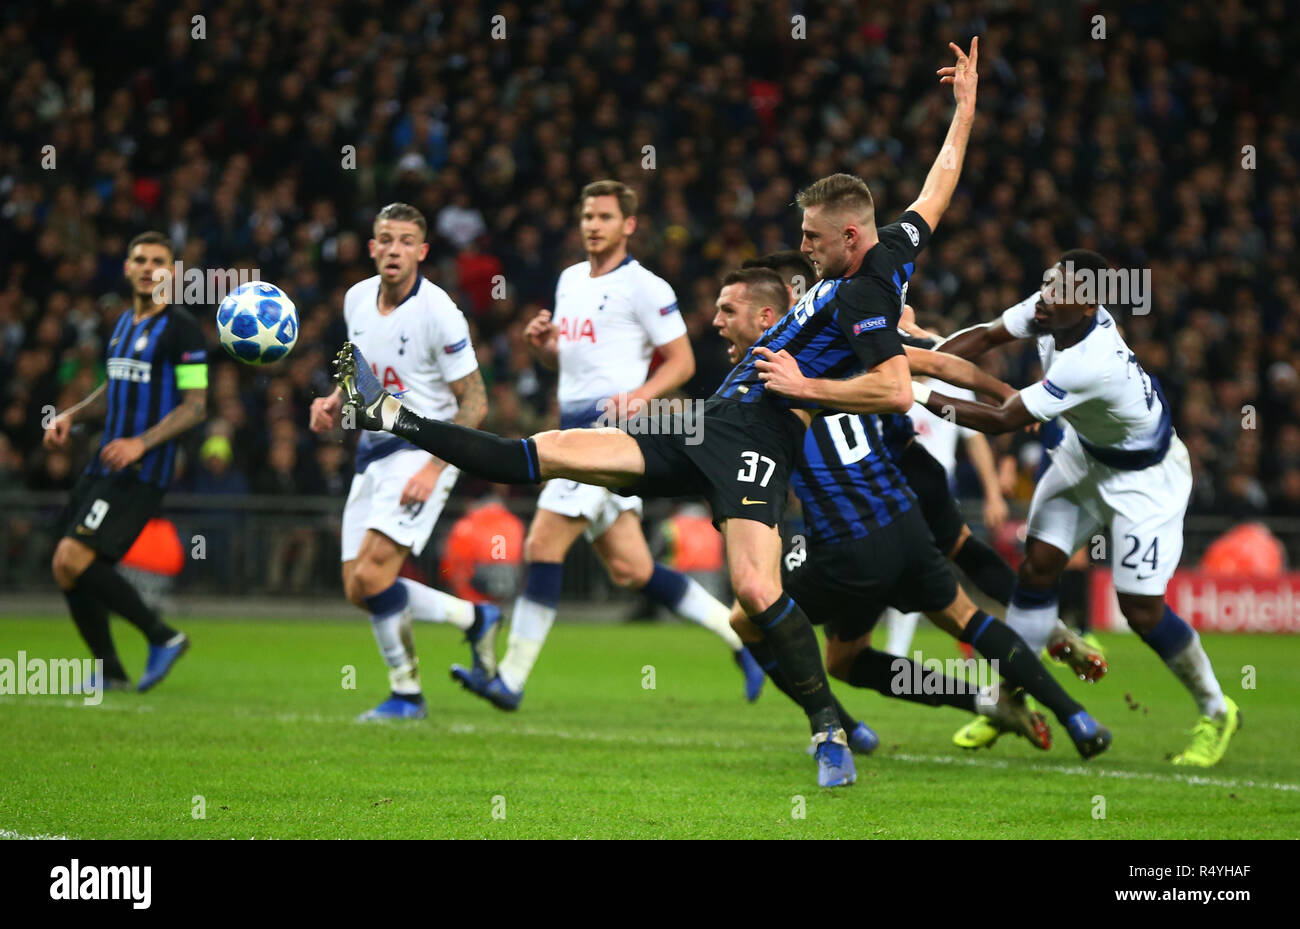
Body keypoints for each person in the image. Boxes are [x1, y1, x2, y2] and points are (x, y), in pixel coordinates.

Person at [335, 39, 982, 788]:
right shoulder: (894, 243)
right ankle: (384, 411)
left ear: (847, 235)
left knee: (756, 590)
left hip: (760, 443)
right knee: (535, 453)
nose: (799, 247)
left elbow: (895, 389)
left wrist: (807, 388)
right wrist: (964, 107)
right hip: (707, 421)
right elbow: (939, 184)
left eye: (810, 236)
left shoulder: (868, 296)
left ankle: (829, 729)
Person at [714, 268, 1112, 758]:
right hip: (904, 502)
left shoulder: (762, 382)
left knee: (750, 619)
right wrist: (1009, 396)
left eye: (727, 311)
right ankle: (1073, 711)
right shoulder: (846, 339)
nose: (717, 322)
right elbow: (940, 362)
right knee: (948, 606)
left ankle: (841, 729)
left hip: (854, 531)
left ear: (774, 314)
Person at [917, 250, 1240, 766]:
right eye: (1046, 285)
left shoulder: (1091, 362)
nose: (1044, 298)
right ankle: (1011, 698)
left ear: (1088, 305)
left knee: (1140, 610)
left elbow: (1002, 420)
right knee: (1037, 569)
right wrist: (920, 364)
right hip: (1084, 456)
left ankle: (1217, 708)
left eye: (1058, 291)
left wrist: (914, 394)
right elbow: (984, 337)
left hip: (1144, 480)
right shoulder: (1053, 308)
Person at [450, 180, 764, 711]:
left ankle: (510, 679)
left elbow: (683, 362)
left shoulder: (647, 287)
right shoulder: (569, 280)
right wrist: (546, 347)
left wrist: (640, 396)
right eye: (587, 216)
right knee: (633, 570)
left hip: (607, 439)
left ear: (629, 225)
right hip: (572, 427)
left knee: (541, 546)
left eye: (604, 216)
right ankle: (745, 643)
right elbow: (566, 363)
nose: (592, 225)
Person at [309, 203, 495, 722]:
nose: (394, 249)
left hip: (422, 450)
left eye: (405, 240)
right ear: (372, 247)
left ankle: (407, 694)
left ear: (422, 251)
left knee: (373, 576)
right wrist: (334, 399)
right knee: (357, 586)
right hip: (373, 451)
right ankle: (473, 617)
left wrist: (435, 468)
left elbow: (476, 402)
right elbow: (360, 372)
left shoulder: (438, 311)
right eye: (385, 239)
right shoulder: (355, 300)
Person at [44, 231, 207, 692]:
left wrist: (142, 443)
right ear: (127, 267)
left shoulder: (182, 330)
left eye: (159, 261)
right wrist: (72, 416)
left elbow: (196, 405)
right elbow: (113, 387)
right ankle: (111, 671)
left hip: (140, 471)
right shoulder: (122, 323)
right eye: (140, 259)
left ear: (172, 273)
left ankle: (163, 635)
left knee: (72, 556)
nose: (149, 267)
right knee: (64, 565)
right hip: (102, 464)